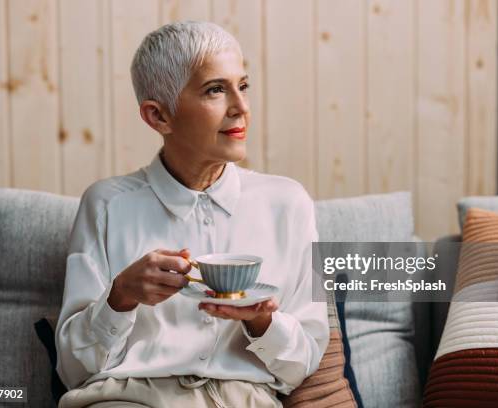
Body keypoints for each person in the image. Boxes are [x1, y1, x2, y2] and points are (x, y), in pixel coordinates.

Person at [55, 21, 329, 408]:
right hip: (128, 400)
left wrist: (261, 322)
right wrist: (121, 297)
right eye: (216, 90)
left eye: (243, 86)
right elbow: (72, 370)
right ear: (158, 117)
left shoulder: (289, 204)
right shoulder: (106, 205)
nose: (242, 107)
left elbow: (302, 364)